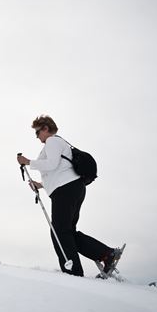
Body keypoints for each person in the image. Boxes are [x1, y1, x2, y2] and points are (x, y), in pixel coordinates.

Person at [16, 115, 122, 277]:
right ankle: (106, 254)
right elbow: (59, 171)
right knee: (67, 232)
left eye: (37, 133)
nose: (37, 137)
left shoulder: (53, 141)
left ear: (45, 128)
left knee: (60, 232)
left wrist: (28, 161)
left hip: (66, 190)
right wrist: (41, 185)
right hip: (70, 188)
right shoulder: (56, 144)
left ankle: (73, 272)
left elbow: (52, 164)